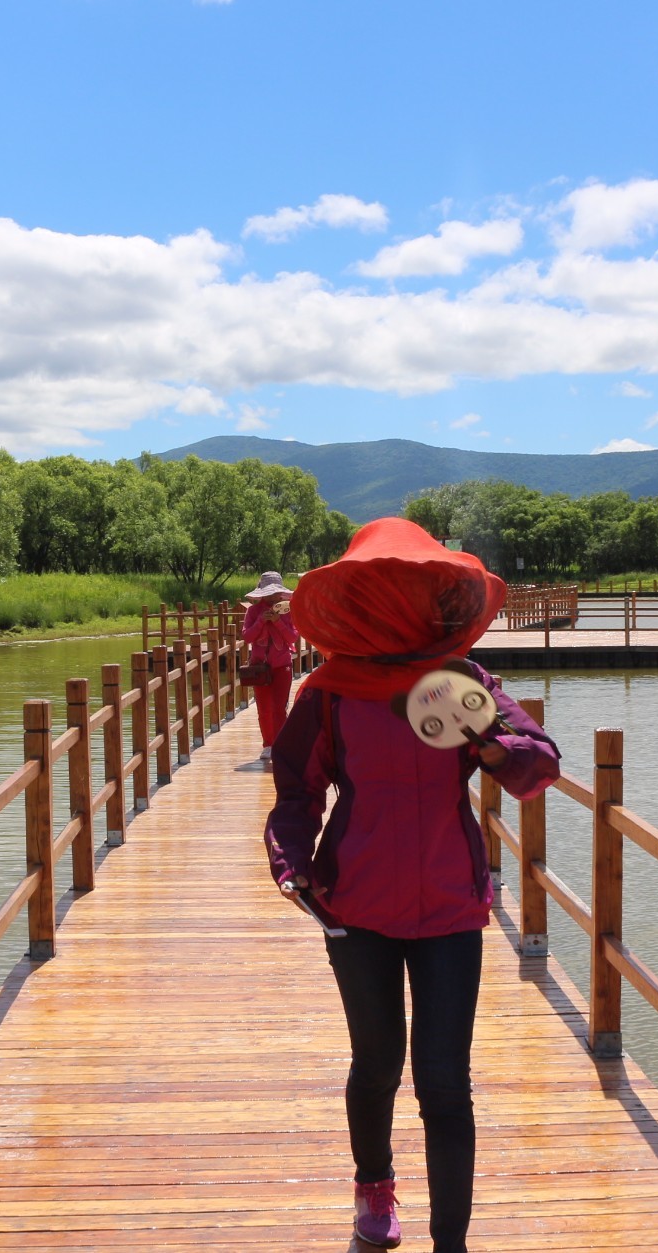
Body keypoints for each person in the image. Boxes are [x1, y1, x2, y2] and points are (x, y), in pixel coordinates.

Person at [263, 518, 560, 1253]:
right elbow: (297, 790)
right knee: (377, 1064)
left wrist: (489, 741)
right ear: (361, 596)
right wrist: (294, 868)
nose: (400, 600)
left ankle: (450, 1243)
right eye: (385, 587)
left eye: (415, 587)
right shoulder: (330, 692)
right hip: (356, 906)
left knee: (444, 1083)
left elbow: (537, 764)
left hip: (451, 908)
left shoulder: (461, 683)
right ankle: (374, 1186)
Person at [240, 570, 297, 763]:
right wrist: (261, 621)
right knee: (263, 708)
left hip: (282, 665)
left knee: (279, 708)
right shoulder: (253, 611)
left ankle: (282, 744)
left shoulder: (287, 610)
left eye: (276, 593)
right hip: (259, 667)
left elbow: (293, 637)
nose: (273, 597)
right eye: (270, 593)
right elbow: (247, 637)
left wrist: (278, 622)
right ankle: (268, 744)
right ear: (262, 593)